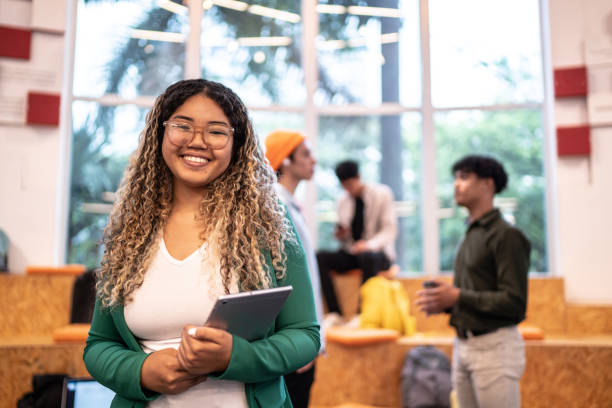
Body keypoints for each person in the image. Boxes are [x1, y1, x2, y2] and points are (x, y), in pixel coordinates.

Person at [83, 79, 320, 408]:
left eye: (217, 131)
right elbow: (99, 345)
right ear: (161, 133)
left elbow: (305, 335)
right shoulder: (131, 230)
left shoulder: (268, 223)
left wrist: (234, 357)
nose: (198, 142)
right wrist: (140, 371)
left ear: (236, 143)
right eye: (183, 125)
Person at [416, 155, 531, 408]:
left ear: (488, 185)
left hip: (495, 349)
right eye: (456, 178)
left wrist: (456, 297)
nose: (457, 184)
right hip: (463, 346)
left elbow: (514, 302)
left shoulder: (507, 236)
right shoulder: (471, 233)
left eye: (465, 177)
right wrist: (445, 302)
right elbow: (474, 294)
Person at [265, 129, 324, 408]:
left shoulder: (290, 205)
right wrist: (299, 340)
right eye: (306, 154)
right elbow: (281, 279)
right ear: (285, 161)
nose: (313, 160)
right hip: (291, 341)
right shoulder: (274, 205)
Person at [317, 160, 398, 324]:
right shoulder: (342, 201)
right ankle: (335, 313)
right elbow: (345, 237)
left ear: (359, 177)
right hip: (354, 252)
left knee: (367, 256)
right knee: (320, 257)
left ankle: (361, 314)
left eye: (350, 184)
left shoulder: (382, 193)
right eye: (344, 186)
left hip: (378, 253)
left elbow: (389, 230)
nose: (348, 189)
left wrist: (368, 245)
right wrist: (341, 234)